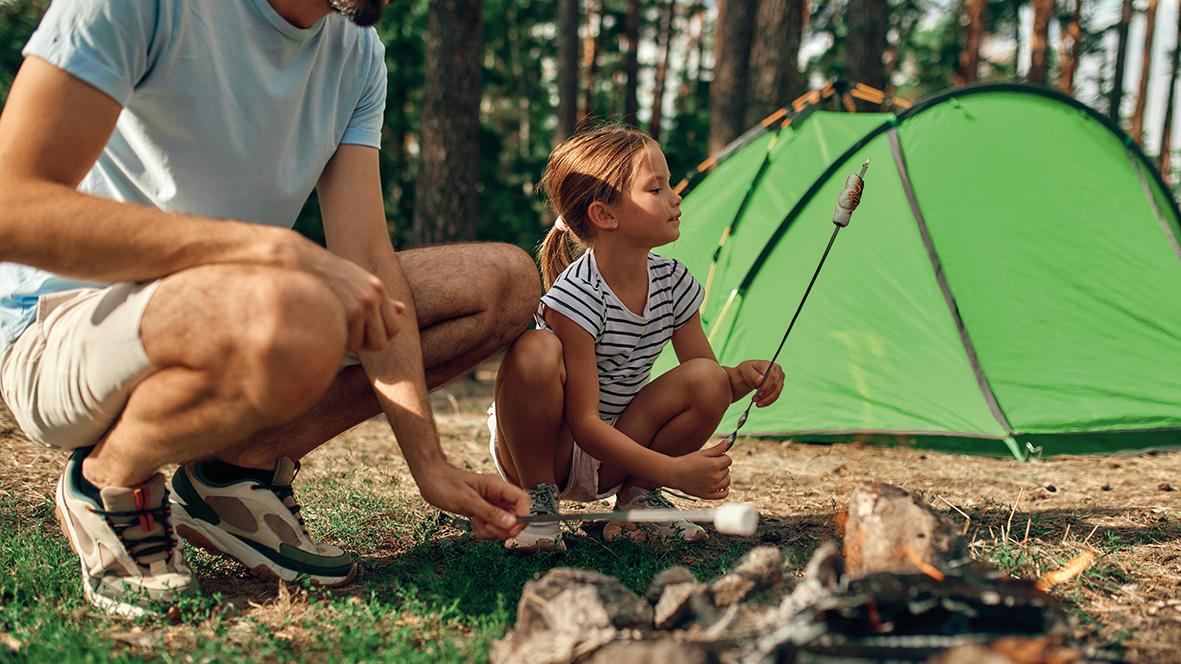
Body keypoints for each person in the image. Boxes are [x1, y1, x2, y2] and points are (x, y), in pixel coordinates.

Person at [0, 0, 536, 617]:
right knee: (294, 307)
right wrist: (262, 249)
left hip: (243, 313)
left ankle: (232, 476)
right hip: (62, 327)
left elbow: (368, 263)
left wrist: (429, 464)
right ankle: (108, 479)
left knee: (504, 284)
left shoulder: (357, 53)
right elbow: (15, 211)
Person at [488, 126, 785, 552]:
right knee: (536, 349)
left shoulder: (672, 281)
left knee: (707, 376)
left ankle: (637, 503)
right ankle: (538, 506)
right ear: (605, 215)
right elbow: (585, 424)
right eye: (656, 188)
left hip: (614, 452)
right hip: (548, 452)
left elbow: (709, 380)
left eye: (669, 185)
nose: (676, 197)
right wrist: (673, 470)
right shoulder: (577, 296)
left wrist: (744, 377)